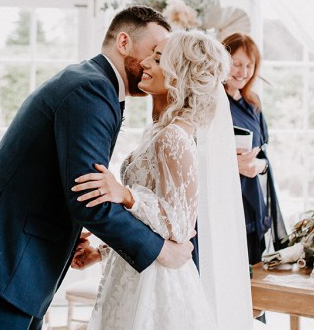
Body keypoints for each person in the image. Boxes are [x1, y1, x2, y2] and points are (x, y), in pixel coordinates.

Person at [0, 6, 197, 330]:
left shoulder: (93, 84)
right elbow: (86, 196)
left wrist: (70, 236)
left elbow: (65, 182)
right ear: (124, 42)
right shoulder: (92, 90)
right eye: (154, 51)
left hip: (4, 258)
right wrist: (160, 252)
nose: (159, 61)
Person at [72, 30, 254, 330]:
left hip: (157, 285)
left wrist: (126, 195)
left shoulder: (174, 137)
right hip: (138, 267)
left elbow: (180, 226)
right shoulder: (159, 131)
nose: (144, 62)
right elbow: (153, 223)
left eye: (157, 59)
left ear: (178, 75)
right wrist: (101, 252)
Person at [221, 32, 288, 265]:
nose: (243, 72)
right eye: (237, 64)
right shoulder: (210, 102)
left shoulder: (253, 104)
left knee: (253, 272)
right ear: (222, 61)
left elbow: (264, 156)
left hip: (252, 201)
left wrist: (256, 165)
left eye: (250, 65)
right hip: (223, 201)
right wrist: (231, 164)